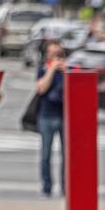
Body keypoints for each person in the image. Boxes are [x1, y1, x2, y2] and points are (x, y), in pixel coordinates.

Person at [35, 41, 66, 198]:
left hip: (64, 116)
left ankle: (66, 187)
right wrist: (52, 69)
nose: (56, 58)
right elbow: (41, 88)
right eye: (52, 54)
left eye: (59, 54)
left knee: (66, 155)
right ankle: (47, 187)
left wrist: (65, 71)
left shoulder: (67, 70)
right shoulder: (43, 69)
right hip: (47, 115)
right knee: (46, 154)